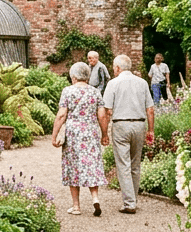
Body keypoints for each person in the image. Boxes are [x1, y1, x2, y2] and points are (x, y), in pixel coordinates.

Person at [100, 54, 155, 214]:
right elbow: (150, 109)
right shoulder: (142, 83)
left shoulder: (113, 84)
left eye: (113, 67)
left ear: (118, 68)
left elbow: (106, 111)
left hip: (121, 125)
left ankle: (129, 203)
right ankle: (133, 199)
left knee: (123, 164)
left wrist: (104, 133)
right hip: (139, 124)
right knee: (135, 164)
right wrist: (151, 130)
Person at [52, 61, 107, 216]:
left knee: (73, 165)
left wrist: (54, 135)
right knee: (92, 163)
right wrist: (104, 134)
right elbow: (102, 115)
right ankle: (95, 198)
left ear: (74, 77)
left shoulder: (68, 91)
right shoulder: (95, 92)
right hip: (90, 132)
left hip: (74, 133)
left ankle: (76, 206)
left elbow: (62, 114)